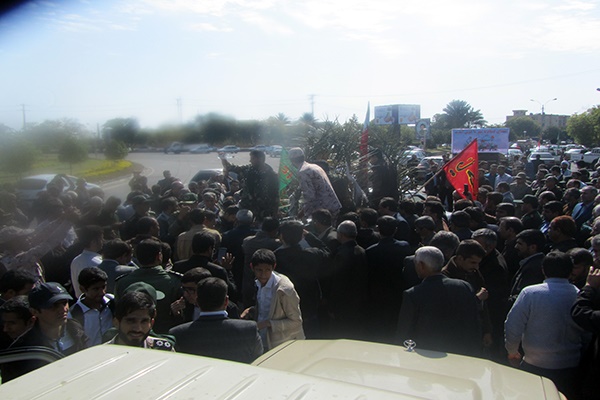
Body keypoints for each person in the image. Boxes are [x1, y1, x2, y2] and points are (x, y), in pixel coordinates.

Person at [505, 251, 587, 400]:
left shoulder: (531, 293)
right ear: (570, 271)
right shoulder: (579, 295)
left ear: (543, 270)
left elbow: (513, 325)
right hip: (570, 366)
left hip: (534, 363)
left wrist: (512, 351)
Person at [395, 246, 481, 356]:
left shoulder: (413, 294)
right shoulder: (464, 286)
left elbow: (404, 333)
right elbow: (474, 323)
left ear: (421, 265)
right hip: (460, 353)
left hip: (426, 354)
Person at [5, 282, 87, 382]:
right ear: (34, 312)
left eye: (64, 303)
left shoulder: (75, 329)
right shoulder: (23, 350)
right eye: (53, 306)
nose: (63, 309)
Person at [169, 277, 263, 363]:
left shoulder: (177, 334)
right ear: (226, 301)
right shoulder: (249, 330)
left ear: (197, 301)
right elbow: (259, 362)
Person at [241, 249, 304, 351]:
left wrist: (268, 324)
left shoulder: (284, 290)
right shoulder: (257, 283)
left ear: (273, 267)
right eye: (259, 270)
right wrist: (251, 310)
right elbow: (267, 309)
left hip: (284, 345)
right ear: (252, 267)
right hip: (263, 341)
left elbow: (296, 321)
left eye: (267, 270)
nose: (263, 275)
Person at [115, 239, 182, 333]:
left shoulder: (122, 282)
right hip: (166, 335)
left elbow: (117, 313)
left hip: (131, 335)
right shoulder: (175, 281)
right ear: (159, 256)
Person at [365, 215, 411, 343]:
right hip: (398, 291)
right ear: (395, 230)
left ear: (378, 229)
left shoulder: (371, 251)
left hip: (377, 293)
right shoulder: (404, 246)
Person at [221, 150, 279, 220]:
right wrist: (223, 158)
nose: (250, 161)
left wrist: (275, 213)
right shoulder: (248, 170)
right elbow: (230, 167)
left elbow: (275, 195)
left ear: (260, 159)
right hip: (246, 207)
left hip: (263, 210)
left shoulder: (272, 175)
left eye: (252, 158)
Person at [107, 291, 174, 351]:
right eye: (131, 321)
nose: (138, 329)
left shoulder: (163, 351)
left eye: (144, 321)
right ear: (116, 322)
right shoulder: (103, 353)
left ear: (151, 323)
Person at [288, 147, 341, 221]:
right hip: (332, 205)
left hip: (324, 210)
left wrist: (302, 215)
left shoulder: (303, 172)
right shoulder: (314, 166)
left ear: (292, 161)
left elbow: (310, 197)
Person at [68, 267, 114, 347]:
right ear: (82, 289)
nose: (102, 292)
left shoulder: (111, 303)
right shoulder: (74, 314)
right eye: (96, 289)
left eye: (103, 287)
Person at [70, 225, 103, 298]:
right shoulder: (98, 263)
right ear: (94, 242)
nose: (103, 241)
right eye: (101, 239)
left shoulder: (75, 260)